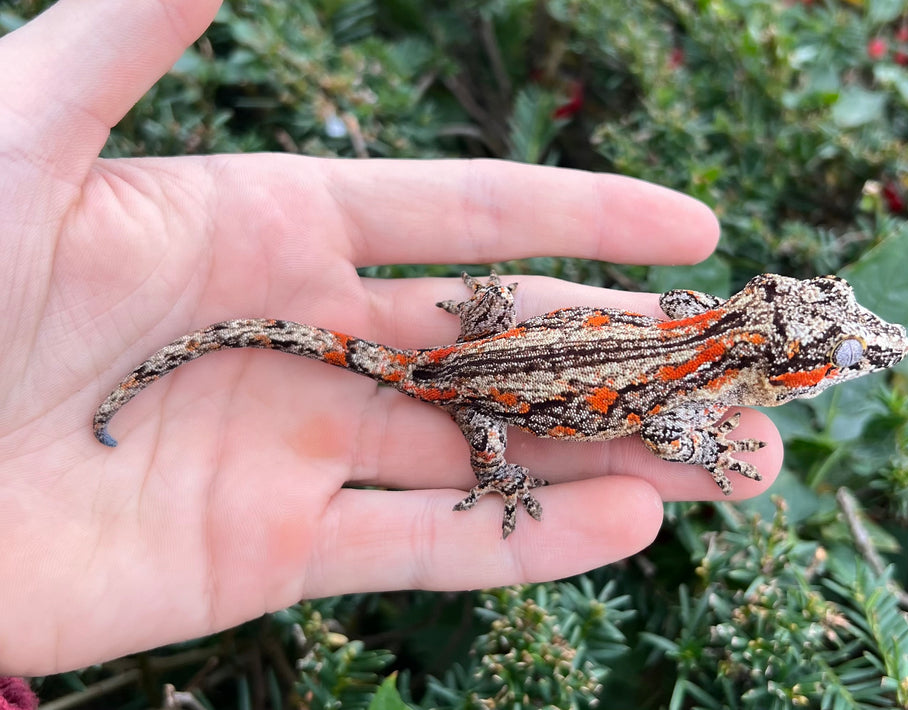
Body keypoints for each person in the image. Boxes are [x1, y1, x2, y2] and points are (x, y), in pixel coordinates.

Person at [0, 0, 780, 677]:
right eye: (843, 349)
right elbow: (672, 441)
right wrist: (703, 448)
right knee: (489, 430)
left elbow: (678, 304)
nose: (867, 351)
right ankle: (498, 470)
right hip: (473, 386)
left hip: (488, 348)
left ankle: (480, 348)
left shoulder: (696, 316)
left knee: (484, 377)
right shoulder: (698, 376)